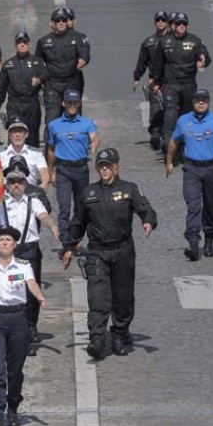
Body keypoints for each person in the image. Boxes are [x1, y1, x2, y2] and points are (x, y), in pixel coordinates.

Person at [63, 148, 157, 359]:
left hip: (123, 250)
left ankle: (119, 334)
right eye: (101, 166)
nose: (105, 169)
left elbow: (146, 209)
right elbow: (77, 222)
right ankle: (96, 339)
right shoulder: (88, 193)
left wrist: (148, 221)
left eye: (108, 166)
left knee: (123, 298)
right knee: (97, 297)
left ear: (117, 167)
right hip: (97, 251)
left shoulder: (129, 189)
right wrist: (69, 247)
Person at [0, 157, 59, 351]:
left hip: (29, 251)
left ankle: (27, 333)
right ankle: (3, 332)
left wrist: (53, 226)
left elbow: (43, 215)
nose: (16, 185)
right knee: (7, 291)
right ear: (7, 184)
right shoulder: (0, 202)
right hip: (7, 252)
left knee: (28, 294)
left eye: (20, 181)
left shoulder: (33, 200)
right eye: (12, 182)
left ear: (25, 183)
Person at [0, 225, 47, 426]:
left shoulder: (23, 266)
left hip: (18, 321)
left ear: (15, 244)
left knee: (14, 372)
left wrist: (40, 296)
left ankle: (13, 407)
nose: (5, 243)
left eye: (8, 240)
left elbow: (31, 282)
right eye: (1, 240)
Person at [166, 89, 213, 260]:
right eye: (197, 100)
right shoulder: (183, 120)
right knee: (193, 205)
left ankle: (209, 240)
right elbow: (174, 141)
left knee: (210, 206)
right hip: (191, 169)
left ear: (209, 101)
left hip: (212, 169)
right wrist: (169, 161)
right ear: (193, 102)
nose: (201, 103)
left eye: (204, 99)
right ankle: (193, 243)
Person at [151, 11, 211, 158]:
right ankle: (169, 148)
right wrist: (156, 83)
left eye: (184, 24)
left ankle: (184, 148)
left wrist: (203, 59)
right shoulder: (165, 42)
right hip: (171, 85)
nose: (181, 26)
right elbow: (158, 65)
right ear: (173, 26)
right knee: (170, 117)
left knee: (186, 118)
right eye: (179, 24)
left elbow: (205, 55)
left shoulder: (194, 40)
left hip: (189, 85)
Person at [46, 89, 99, 247]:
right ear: (63, 103)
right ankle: (65, 240)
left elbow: (95, 137)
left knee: (81, 206)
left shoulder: (87, 123)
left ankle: (76, 237)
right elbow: (51, 149)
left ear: (79, 103)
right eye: (69, 102)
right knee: (64, 206)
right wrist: (51, 171)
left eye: (75, 102)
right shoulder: (54, 125)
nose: (72, 105)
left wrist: (94, 144)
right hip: (63, 170)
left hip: (81, 169)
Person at [36, 8, 90, 144]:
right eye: (58, 20)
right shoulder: (43, 41)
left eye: (64, 20)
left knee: (73, 116)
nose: (61, 23)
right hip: (52, 85)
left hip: (72, 83)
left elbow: (85, 53)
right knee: (52, 119)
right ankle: (50, 150)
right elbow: (39, 63)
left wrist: (82, 60)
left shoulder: (78, 37)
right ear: (51, 23)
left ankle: (77, 146)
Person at [0, 31, 47, 148]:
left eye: (24, 42)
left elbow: (47, 75)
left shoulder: (38, 62)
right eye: (19, 42)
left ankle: (31, 164)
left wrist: (39, 79)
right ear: (15, 45)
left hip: (32, 105)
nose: (22, 44)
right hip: (14, 105)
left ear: (29, 44)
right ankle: (13, 163)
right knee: (15, 135)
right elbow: (0, 90)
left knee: (32, 139)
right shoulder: (8, 65)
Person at [132, 10, 171, 150]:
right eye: (158, 20)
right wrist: (137, 77)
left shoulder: (174, 41)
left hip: (171, 81)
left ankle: (171, 135)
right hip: (154, 81)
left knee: (171, 109)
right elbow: (142, 61)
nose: (160, 22)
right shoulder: (149, 42)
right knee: (155, 109)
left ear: (167, 22)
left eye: (163, 20)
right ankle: (155, 133)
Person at [0, 120, 50, 191]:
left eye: (20, 131)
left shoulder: (36, 153)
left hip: (30, 194)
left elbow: (44, 174)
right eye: (14, 132)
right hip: (7, 195)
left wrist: (40, 190)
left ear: (26, 134)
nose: (17, 135)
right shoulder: (0, 154)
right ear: (10, 135)